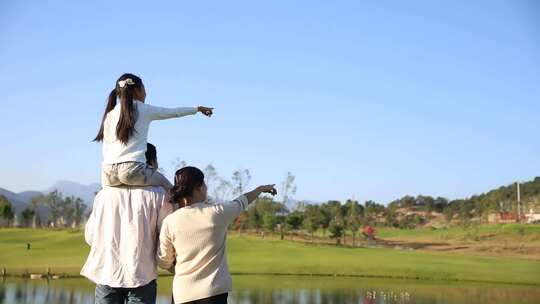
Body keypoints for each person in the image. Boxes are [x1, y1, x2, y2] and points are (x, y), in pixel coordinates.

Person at [157, 166, 277, 304]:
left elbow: (163, 261)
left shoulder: (170, 221)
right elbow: (242, 201)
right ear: (199, 187)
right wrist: (259, 189)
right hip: (213, 294)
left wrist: (180, 270)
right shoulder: (216, 213)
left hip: (182, 295)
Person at [81, 143, 174, 304]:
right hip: (142, 275)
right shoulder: (160, 194)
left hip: (107, 272)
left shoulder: (104, 195)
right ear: (152, 162)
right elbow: (166, 236)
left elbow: (90, 236)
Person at [93, 73, 214, 190]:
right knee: (173, 192)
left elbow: (106, 145)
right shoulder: (144, 109)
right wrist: (197, 109)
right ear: (137, 90)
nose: (146, 93)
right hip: (132, 170)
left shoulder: (109, 114)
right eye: (144, 88)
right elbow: (174, 112)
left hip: (107, 173)